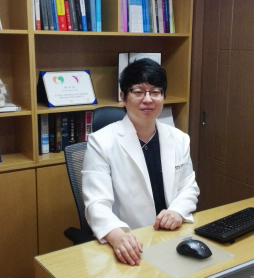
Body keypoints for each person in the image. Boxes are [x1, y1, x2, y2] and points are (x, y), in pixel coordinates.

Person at [82, 58, 200, 266]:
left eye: (155, 92)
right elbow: (96, 204)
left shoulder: (179, 139)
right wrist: (117, 236)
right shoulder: (101, 142)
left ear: (163, 96)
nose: (148, 99)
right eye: (138, 92)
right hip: (131, 239)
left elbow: (189, 187)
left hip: (173, 235)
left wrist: (177, 211)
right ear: (123, 97)